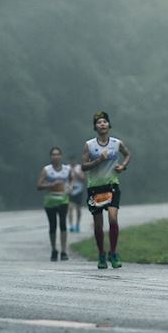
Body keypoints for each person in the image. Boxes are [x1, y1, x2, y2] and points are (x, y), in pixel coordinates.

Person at [81, 111, 131, 270]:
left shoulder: (117, 143)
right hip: (94, 187)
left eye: (104, 121)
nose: (102, 124)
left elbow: (127, 154)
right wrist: (99, 160)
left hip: (112, 185)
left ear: (109, 125)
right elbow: (83, 166)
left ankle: (113, 252)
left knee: (113, 219)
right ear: (95, 127)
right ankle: (102, 253)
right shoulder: (89, 145)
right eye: (99, 122)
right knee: (98, 224)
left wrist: (123, 166)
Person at [36, 146, 74, 261]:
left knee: (62, 223)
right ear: (51, 157)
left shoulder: (67, 169)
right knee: (53, 225)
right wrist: (50, 185)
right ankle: (53, 249)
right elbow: (39, 185)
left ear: (61, 156)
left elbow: (72, 179)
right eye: (53, 154)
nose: (56, 156)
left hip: (63, 199)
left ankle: (63, 251)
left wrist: (70, 187)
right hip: (50, 200)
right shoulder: (47, 170)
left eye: (58, 154)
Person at [67, 155, 86, 233]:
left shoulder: (80, 168)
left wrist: (75, 172)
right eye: (71, 160)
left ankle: (77, 224)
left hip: (79, 190)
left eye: (73, 160)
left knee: (78, 209)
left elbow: (83, 179)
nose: (72, 162)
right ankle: (71, 225)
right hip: (70, 190)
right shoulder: (66, 168)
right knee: (70, 208)